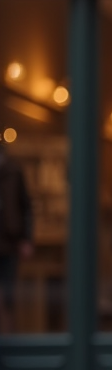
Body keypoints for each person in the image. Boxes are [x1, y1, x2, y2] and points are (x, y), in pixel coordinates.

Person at [0, 139, 33, 334]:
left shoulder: (14, 171)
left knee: (10, 295)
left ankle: (10, 337)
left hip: (10, 241)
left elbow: (26, 206)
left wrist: (26, 238)